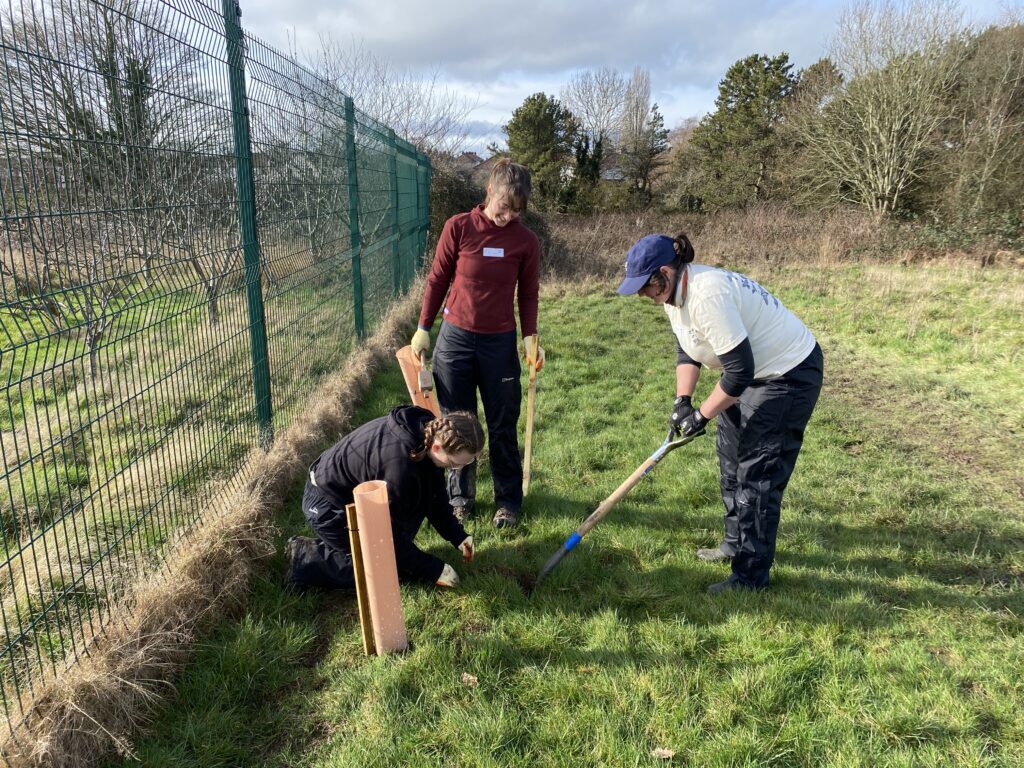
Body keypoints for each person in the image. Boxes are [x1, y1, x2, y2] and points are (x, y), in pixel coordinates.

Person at [617, 233, 823, 593]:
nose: (644, 296)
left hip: (785, 375)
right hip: (745, 376)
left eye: (645, 287)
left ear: (664, 271)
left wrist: (702, 416)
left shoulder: (707, 294)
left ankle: (750, 577)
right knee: (730, 465)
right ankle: (733, 544)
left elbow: (740, 371)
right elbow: (688, 351)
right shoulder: (671, 294)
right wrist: (683, 401)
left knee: (756, 476)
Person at [410, 159, 544, 529]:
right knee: (455, 422)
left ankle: (507, 502)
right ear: (490, 192)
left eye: (516, 211)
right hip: (455, 340)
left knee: (503, 423)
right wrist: (424, 327)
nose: (508, 217)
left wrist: (529, 337)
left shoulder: (525, 241)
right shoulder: (459, 227)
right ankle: (459, 499)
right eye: (504, 207)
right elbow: (437, 280)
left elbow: (528, 294)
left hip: (499, 343)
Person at [284, 406, 485, 591]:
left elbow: (434, 496)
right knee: (386, 571)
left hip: (354, 495)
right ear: (437, 448)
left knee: (401, 550)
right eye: (453, 465)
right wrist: (432, 568)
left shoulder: (428, 432)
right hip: (328, 506)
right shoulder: (400, 468)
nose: (455, 469)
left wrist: (458, 536)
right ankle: (303, 558)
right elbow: (387, 536)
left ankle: (355, 552)